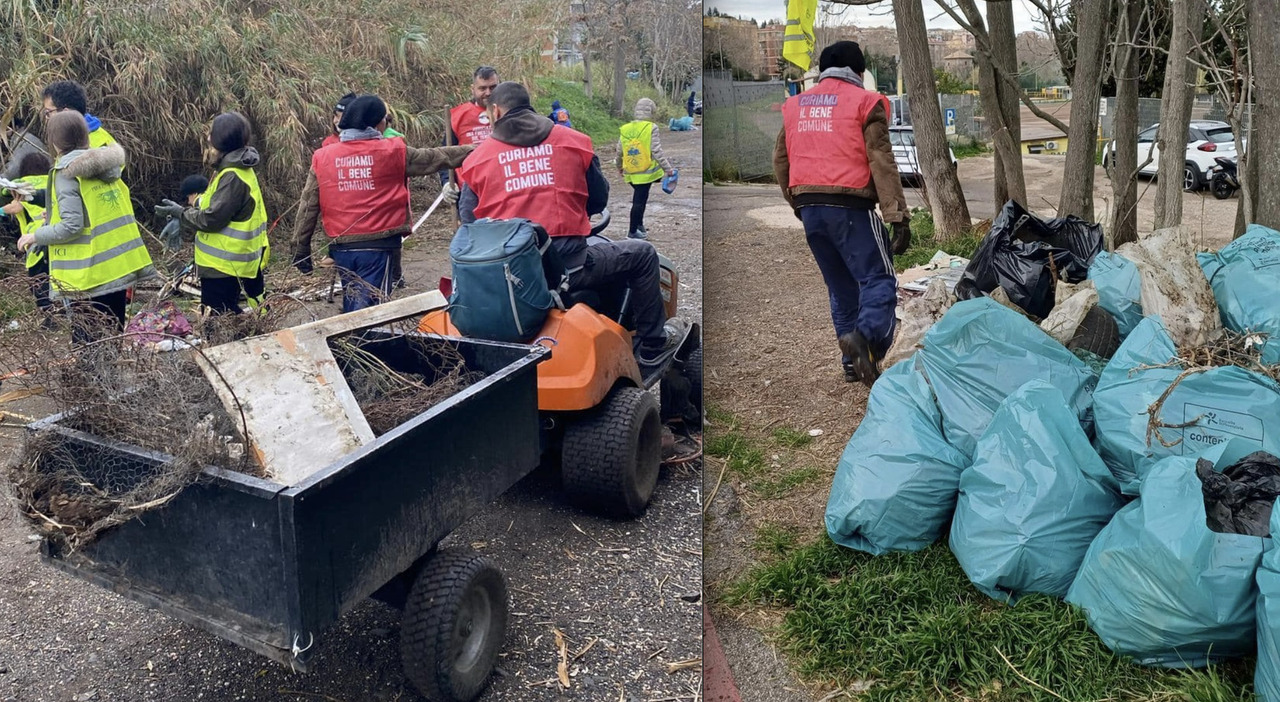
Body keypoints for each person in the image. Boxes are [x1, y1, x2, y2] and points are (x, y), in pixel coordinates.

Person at [457, 82, 680, 374]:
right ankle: (652, 346)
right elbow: (598, 198)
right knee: (642, 254)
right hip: (570, 271)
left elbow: (469, 224)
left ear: (496, 111)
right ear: (530, 106)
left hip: (509, 280)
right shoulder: (575, 141)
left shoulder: (476, 160)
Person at [773, 40, 911, 386]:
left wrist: (799, 205)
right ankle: (864, 340)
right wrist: (897, 215)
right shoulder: (866, 102)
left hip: (810, 207)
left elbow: (781, 160)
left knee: (841, 290)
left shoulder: (794, 105)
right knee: (878, 279)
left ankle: (851, 364)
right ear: (859, 72)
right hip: (851, 206)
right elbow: (881, 160)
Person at [291, 94, 472, 312]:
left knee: (355, 298)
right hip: (378, 245)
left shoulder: (323, 157)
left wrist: (300, 250)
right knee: (369, 310)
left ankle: (353, 339)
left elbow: (307, 206)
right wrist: (480, 148)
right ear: (378, 123)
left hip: (341, 246)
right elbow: (438, 157)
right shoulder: (393, 151)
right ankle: (360, 343)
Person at [17, 111, 154, 340]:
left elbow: (72, 226)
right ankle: (109, 376)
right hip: (117, 267)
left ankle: (91, 376)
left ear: (54, 141)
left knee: (87, 343)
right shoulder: (106, 167)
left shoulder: (66, 173)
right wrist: (40, 204)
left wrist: (35, 236)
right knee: (111, 336)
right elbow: (89, 209)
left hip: (89, 276)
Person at [155, 112, 270, 315]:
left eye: (210, 139)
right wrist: (186, 211)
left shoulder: (232, 176)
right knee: (231, 316)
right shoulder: (230, 170)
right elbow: (214, 203)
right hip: (230, 264)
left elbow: (212, 218)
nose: (208, 144)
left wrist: (181, 214)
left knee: (217, 323)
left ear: (221, 143)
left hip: (224, 267)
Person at [3, 151, 53, 312]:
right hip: (56, 234)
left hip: (34, 240)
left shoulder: (22, 184)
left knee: (39, 282)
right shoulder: (53, 181)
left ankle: (50, 316)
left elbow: (15, 206)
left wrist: (1, 211)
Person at [617, 98, 674, 240]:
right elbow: (656, 151)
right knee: (639, 201)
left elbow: (619, 150)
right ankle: (632, 231)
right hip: (646, 172)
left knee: (641, 197)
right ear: (651, 111)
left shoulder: (625, 128)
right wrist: (668, 169)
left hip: (630, 170)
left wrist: (619, 166)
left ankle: (639, 225)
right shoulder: (651, 127)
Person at [41, 81, 116, 148]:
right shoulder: (98, 134)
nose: (47, 119)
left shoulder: (82, 149)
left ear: (65, 113)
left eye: (48, 112)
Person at [322, 92, 404, 148]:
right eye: (335, 116)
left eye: (341, 116)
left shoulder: (391, 140)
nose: (335, 121)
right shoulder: (328, 143)